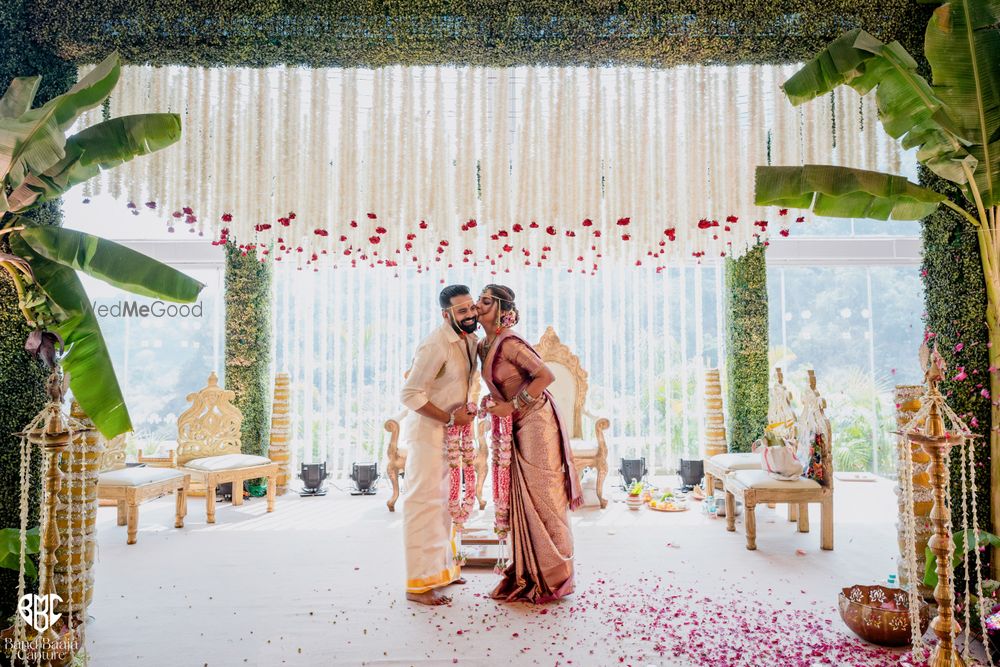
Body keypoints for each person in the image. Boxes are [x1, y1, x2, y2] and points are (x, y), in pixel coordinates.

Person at [476, 284, 582, 603]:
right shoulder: (484, 346)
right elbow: (500, 385)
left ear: (501, 309)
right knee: (521, 497)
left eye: (484, 301)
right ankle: (526, 572)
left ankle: (555, 576)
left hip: (536, 421)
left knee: (543, 496)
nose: (478, 306)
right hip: (514, 423)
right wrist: (493, 403)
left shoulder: (510, 342)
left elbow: (545, 376)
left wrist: (512, 405)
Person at [399, 284, 480, 605]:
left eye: (472, 307)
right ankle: (417, 585)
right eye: (463, 310)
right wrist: (449, 419)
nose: (471, 314)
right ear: (446, 314)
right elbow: (409, 394)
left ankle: (443, 571)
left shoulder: (469, 340)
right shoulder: (435, 344)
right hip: (429, 435)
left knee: (444, 505)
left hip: (452, 437)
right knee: (424, 506)